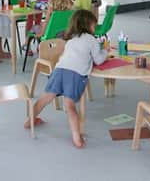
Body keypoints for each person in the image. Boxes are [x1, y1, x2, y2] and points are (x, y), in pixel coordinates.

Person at [25, 10, 108, 148]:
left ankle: (29, 121)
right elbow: (98, 60)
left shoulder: (71, 40)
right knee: (69, 106)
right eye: (94, 25)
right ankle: (76, 138)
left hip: (59, 70)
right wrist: (105, 50)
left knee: (44, 99)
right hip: (75, 75)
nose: (95, 28)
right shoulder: (92, 40)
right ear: (88, 25)